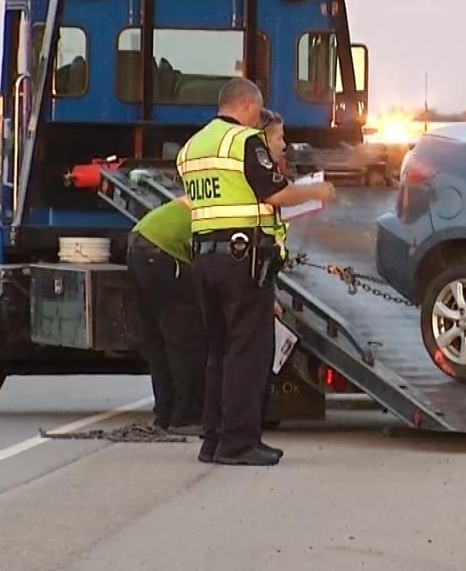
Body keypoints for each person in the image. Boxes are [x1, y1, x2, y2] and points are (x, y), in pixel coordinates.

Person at [177, 78, 336, 466]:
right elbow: (274, 193)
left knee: (218, 352)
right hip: (241, 259)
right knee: (248, 353)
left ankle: (213, 439)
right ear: (247, 105)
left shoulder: (190, 148)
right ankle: (239, 443)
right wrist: (317, 192)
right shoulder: (244, 142)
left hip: (205, 257)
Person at [126, 196, 205, 435]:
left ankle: (166, 413)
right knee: (185, 338)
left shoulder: (210, 195)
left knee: (158, 339)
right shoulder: (240, 210)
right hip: (163, 249)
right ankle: (186, 416)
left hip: (140, 240)